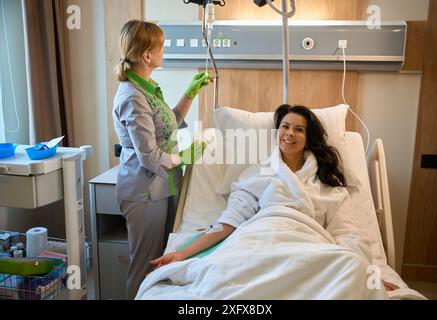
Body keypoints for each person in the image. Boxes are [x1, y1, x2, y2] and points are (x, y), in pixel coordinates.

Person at [150, 104, 400, 292]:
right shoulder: (257, 174)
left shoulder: (326, 183)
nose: (289, 133)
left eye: (299, 129)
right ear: (277, 131)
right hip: (260, 239)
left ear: (308, 138)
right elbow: (228, 223)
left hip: (307, 243)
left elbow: (346, 232)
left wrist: (370, 273)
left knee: (349, 267)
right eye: (285, 126)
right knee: (222, 273)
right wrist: (183, 254)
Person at [112, 19, 211, 299]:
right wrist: (183, 158)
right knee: (144, 266)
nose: (164, 52)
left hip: (163, 189)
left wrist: (190, 94)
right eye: (162, 47)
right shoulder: (132, 96)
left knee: (162, 264)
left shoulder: (149, 87)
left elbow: (169, 124)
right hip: (144, 194)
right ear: (147, 55)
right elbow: (149, 156)